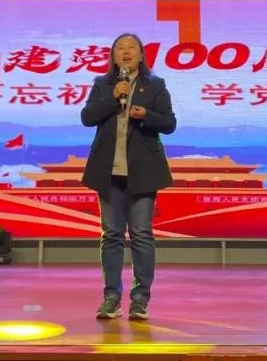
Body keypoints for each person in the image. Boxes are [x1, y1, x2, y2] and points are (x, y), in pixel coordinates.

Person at [80, 33, 176, 321]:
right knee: (111, 235)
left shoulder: (155, 85)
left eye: (131, 48)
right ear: (113, 56)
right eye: (120, 48)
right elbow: (87, 117)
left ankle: (140, 299)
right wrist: (113, 97)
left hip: (143, 171)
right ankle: (111, 298)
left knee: (141, 234)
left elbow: (169, 123)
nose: (125, 52)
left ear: (141, 55)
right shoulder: (103, 84)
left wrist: (146, 115)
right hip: (108, 171)